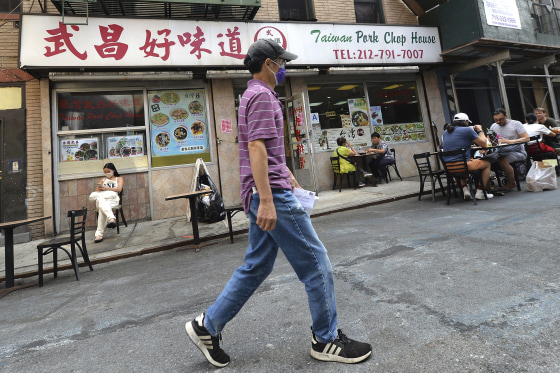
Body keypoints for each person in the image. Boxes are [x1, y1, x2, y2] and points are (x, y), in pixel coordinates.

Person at [184, 39, 372, 368]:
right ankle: (325, 340)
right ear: (269, 63)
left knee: (256, 266)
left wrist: (289, 176)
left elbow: (268, 150)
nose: (285, 67)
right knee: (317, 265)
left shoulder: (256, 95)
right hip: (268, 193)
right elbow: (256, 147)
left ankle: (206, 326)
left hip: (267, 188)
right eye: (281, 61)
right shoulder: (259, 95)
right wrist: (269, 198)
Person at [442, 113, 493, 200]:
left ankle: (465, 189)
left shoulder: (446, 132)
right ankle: (480, 192)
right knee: (487, 163)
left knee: (466, 159)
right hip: (463, 165)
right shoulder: (467, 130)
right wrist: (480, 130)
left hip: (448, 167)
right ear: (466, 121)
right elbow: (484, 144)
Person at [490, 108, 530, 191]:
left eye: (500, 119)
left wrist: (509, 141)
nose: (498, 122)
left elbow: (526, 138)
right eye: (496, 120)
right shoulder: (493, 126)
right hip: (500, 152)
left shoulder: (516, 124)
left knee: (503, 160)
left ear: (506, 116)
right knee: (486, 160)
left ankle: (512, 182)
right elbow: (489, 138)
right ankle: (486, 186)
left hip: (517, 152)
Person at [88, 163, 123, 243]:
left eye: (108, 171)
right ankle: (111, 218)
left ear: (113, 170)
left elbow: (119, 189)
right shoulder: (102, 180)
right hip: (104, 198)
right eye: (105, 172)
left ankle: (99, 234)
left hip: (113, 200)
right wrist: (102, 188)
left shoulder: (119, 178)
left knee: (102, 205)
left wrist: (107, 188)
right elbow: (96, 192)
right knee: (97, 197)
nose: (107, 173)